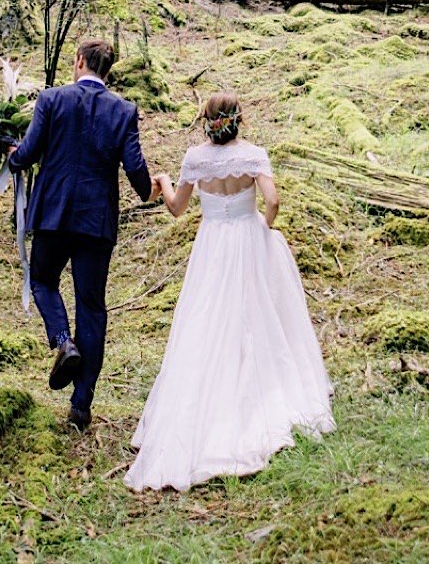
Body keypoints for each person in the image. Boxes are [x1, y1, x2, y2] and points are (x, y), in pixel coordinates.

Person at [125, 91, 335, 492]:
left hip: (212, 246)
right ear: (239, 119)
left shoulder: (195, 159)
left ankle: (207, 400)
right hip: (248, 238)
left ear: (205, 120)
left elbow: (176, 209)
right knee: (256, 314)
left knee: (206, 318)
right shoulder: (254, 155)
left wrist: (166, 183)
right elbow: (272, 200)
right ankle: (258, 391)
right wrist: (267, 225)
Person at [8, 39, 149, 432]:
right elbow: (135, 164)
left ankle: (63, 341)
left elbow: (30, 151)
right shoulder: (124, 110)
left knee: (41, 280)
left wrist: (12, 156)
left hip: (53, 214)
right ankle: (81, 405)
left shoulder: (51, 99)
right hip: (96, 221)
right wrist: (148, 190)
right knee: (92, 305)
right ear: (108, 71)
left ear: (80, 62)